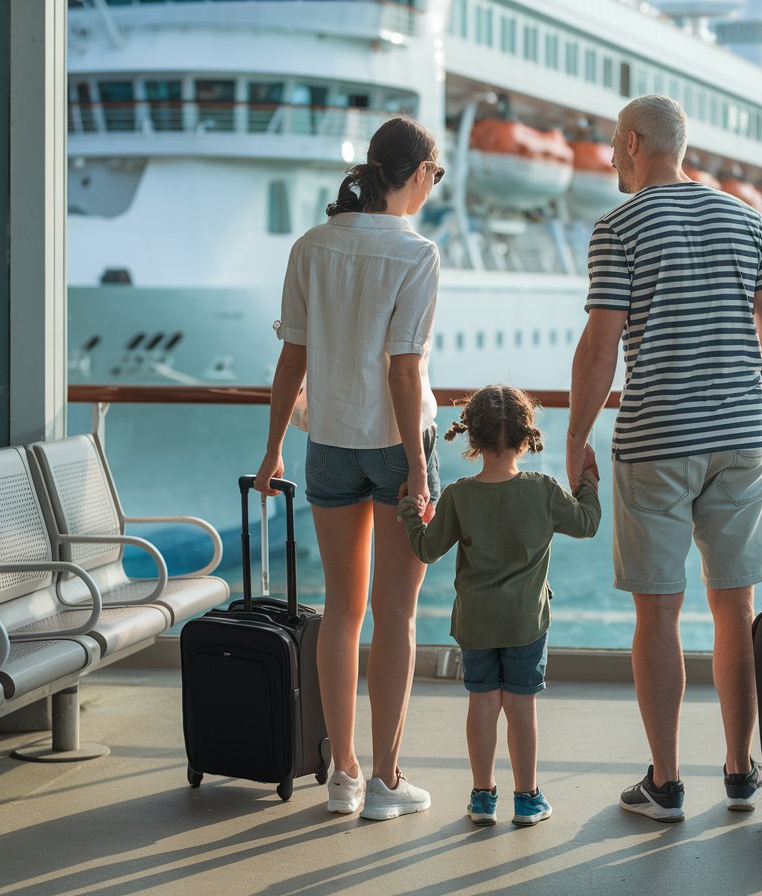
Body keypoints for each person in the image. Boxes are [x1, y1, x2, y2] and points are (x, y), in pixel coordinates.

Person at [564, 95, 762, 824]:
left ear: (631, 143)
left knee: (658, 614)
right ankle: (742, 771)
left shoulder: (617, 226)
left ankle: (666, 783)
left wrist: (574, 437)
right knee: (736, 607)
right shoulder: (748, 219)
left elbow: (599, 347)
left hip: (655, 441)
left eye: (614, 146)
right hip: (743, 440)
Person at [254, 115, 446, 822]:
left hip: (328, 441)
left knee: (343, 609)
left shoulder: (312, 246)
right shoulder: (417, 254)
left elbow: (291, 363)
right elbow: (405, 370)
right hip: (398, 446)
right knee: (396, 612)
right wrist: (420, 477)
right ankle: (388, 782)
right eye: (436, 173)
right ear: (419, 171)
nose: (434, 185)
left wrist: (273, 449)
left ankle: (344, 775)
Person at [396, 386, 601, 826]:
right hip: (527, 621)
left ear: (472, 437)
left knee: (482, 703)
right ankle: (527, 799)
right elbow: (587, 524)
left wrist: (410, 513)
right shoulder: (543, 490)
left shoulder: (458, 495)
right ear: (527, 438)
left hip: (476, 622)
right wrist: (589, 482)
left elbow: (427, 550)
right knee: (522, 707)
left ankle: (483, 797)